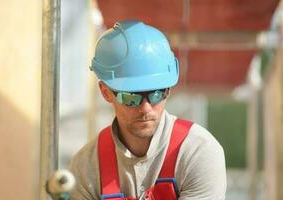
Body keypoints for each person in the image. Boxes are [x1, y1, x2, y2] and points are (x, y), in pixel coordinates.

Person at [69, 20, 226, 200]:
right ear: (106, 92)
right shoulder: (87, 167)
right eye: (130, 98)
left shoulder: (197, 152)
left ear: (168, 89)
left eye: (157, 94)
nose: (145, 108)